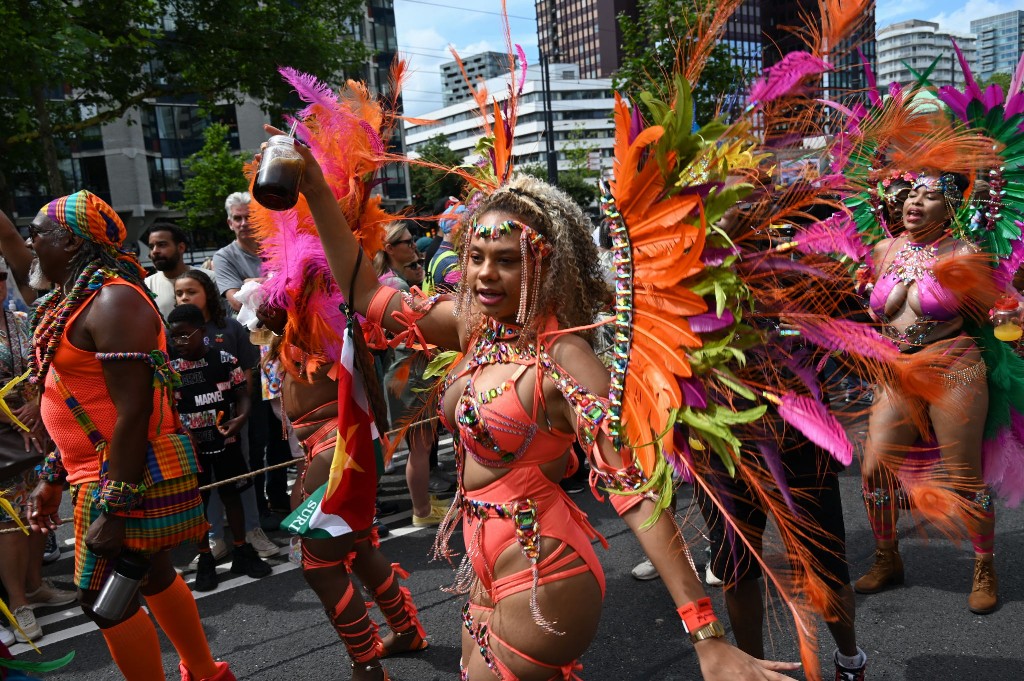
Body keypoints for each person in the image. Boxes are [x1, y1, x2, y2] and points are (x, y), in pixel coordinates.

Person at [270, 126, 798, 679]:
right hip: (483, 571)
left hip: (545, 569)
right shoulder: (476, 328)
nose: (484, 274)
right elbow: (364, 293)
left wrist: (706, 636)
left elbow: (636, 495)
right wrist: (314, 188)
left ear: (545, 265)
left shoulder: (565, 358)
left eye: (506, 259)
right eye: (475, 257)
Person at [24, 190, 235, 681]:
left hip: (118, 477)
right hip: (91, 471)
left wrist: (114, 510)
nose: (31, 244)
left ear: (72, 242)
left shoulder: (113, 299)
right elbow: (73, 396)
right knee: (154, 575)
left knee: (103, 602)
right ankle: (207, 673)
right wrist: (54, 474)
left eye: (38, 233)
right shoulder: (72, 298)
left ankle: (203, 672)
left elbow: (134, 411)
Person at [255, 300, 428, 681]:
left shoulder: (319, 320)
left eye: (274, 293)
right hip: (338, 446)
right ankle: (406, 631)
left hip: (338, 448)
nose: (262, 303)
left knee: (321, 567)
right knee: (359, 545)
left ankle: (367, 666)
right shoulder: (298, 328)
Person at [857, 173, 997, 613]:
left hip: (953, 366)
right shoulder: (884, 250)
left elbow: (999, 305)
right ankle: (887, 557)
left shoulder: (967, 254)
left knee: (963, 477)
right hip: (897, 370)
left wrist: (1012, 315)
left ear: (950, 208)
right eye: (911, 194)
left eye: (930, 196)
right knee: (873, 470)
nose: (914, 203)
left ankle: (984, 564)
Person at [173, 269, 278, 560]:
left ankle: (253, 530)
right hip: (194, 430)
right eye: (179, 293)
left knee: (243, 476)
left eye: (191, 291)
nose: (184, 297)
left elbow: (246, 371)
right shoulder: (175, 335)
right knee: (208, 486)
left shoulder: (230, 328)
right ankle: (215, 536)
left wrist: (241, 414)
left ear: (208, 292)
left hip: (232, 422)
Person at [0, 257, 74, 644]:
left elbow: (44, 366)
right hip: (4, 440)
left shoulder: (20, 320)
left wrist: (35, 406)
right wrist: (13, 414)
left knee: (35, 512)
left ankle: (35, 585)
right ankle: (17, 602)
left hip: (36, 430)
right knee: (8, 522)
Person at [212, 192, 291, 519]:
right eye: (238, 218)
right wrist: (264, 287)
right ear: (229, 223)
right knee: (256, 434)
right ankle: (258, 507)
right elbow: (235, 301)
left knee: (282, 432)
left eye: (249, 217)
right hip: (249, 358)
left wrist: (257, 286)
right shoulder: (224, 256)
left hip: (283, 349)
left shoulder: (277, 246)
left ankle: (279, 495)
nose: (244, 224)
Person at [373, 222, 446, 526]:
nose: (413, 245)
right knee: (420, 446)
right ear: (389, 248)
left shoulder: (386, 280)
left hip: (404, 370)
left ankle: (423, 505)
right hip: (411, 370)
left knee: (421, 444)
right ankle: (421, 511)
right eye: (406, 241)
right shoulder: (398, 287)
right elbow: (418, 332)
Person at [144, 223, 213, 318]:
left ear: (181, 247)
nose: (155, 251)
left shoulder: (210, 278)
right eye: (151, 247)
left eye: (162, 245)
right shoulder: (146, 286)